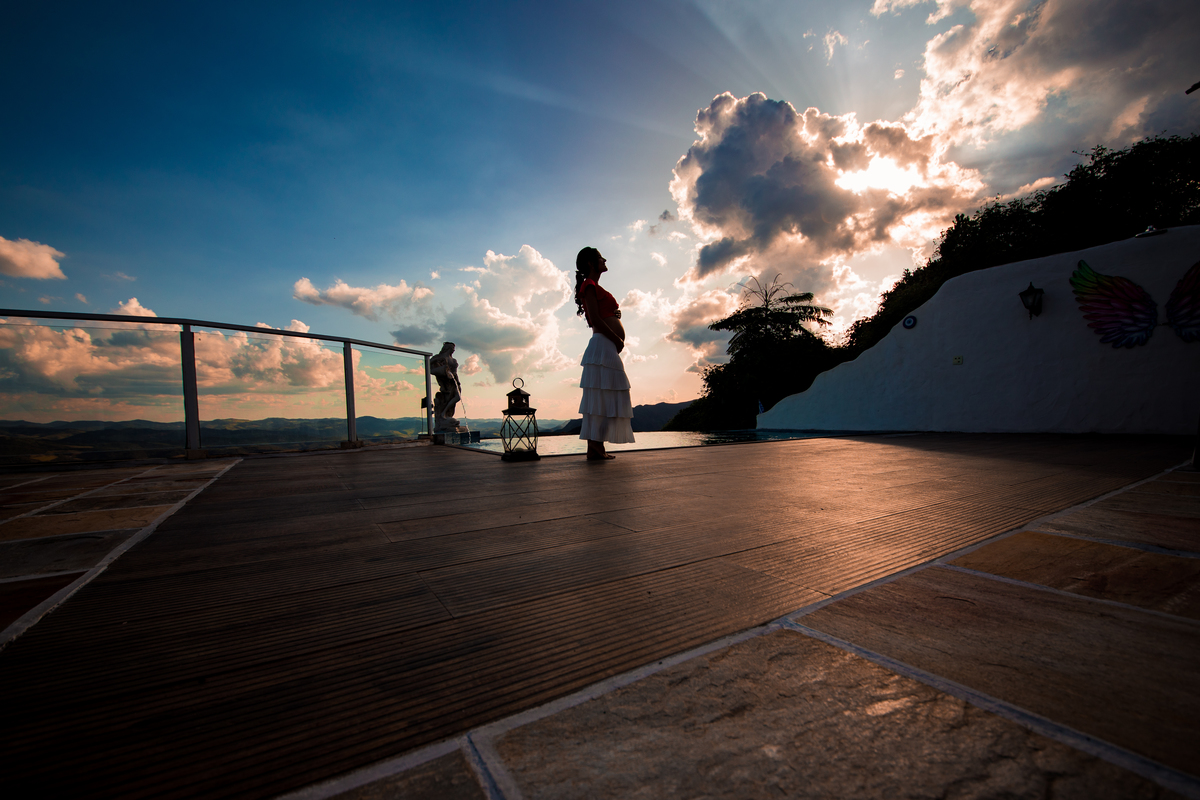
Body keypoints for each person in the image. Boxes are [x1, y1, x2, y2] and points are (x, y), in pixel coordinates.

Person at [574, 247, 634, 460]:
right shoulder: (589, 285)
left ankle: (596, 448)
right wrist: (617, 339)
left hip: (605, 346)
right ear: (591, 263)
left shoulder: (595, 287)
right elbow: (596, 320)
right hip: (603, 344)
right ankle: (595, 448)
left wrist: (615, 314)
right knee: (602, 397)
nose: (604, 260)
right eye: (600, 258)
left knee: (605, 397)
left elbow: (602, 313)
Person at [429, 342, 463, 432]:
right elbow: (428, 365)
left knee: (457, 397)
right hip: (446, 383)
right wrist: (440, 370)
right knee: (447, 398)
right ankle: (443, 415)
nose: (453, 350)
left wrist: (458, 382)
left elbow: (455, 373)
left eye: (454, 348)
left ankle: (445, 414)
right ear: (447, 348)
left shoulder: (453, 360)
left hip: (454, 382)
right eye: (452, 348)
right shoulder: (440, 357)